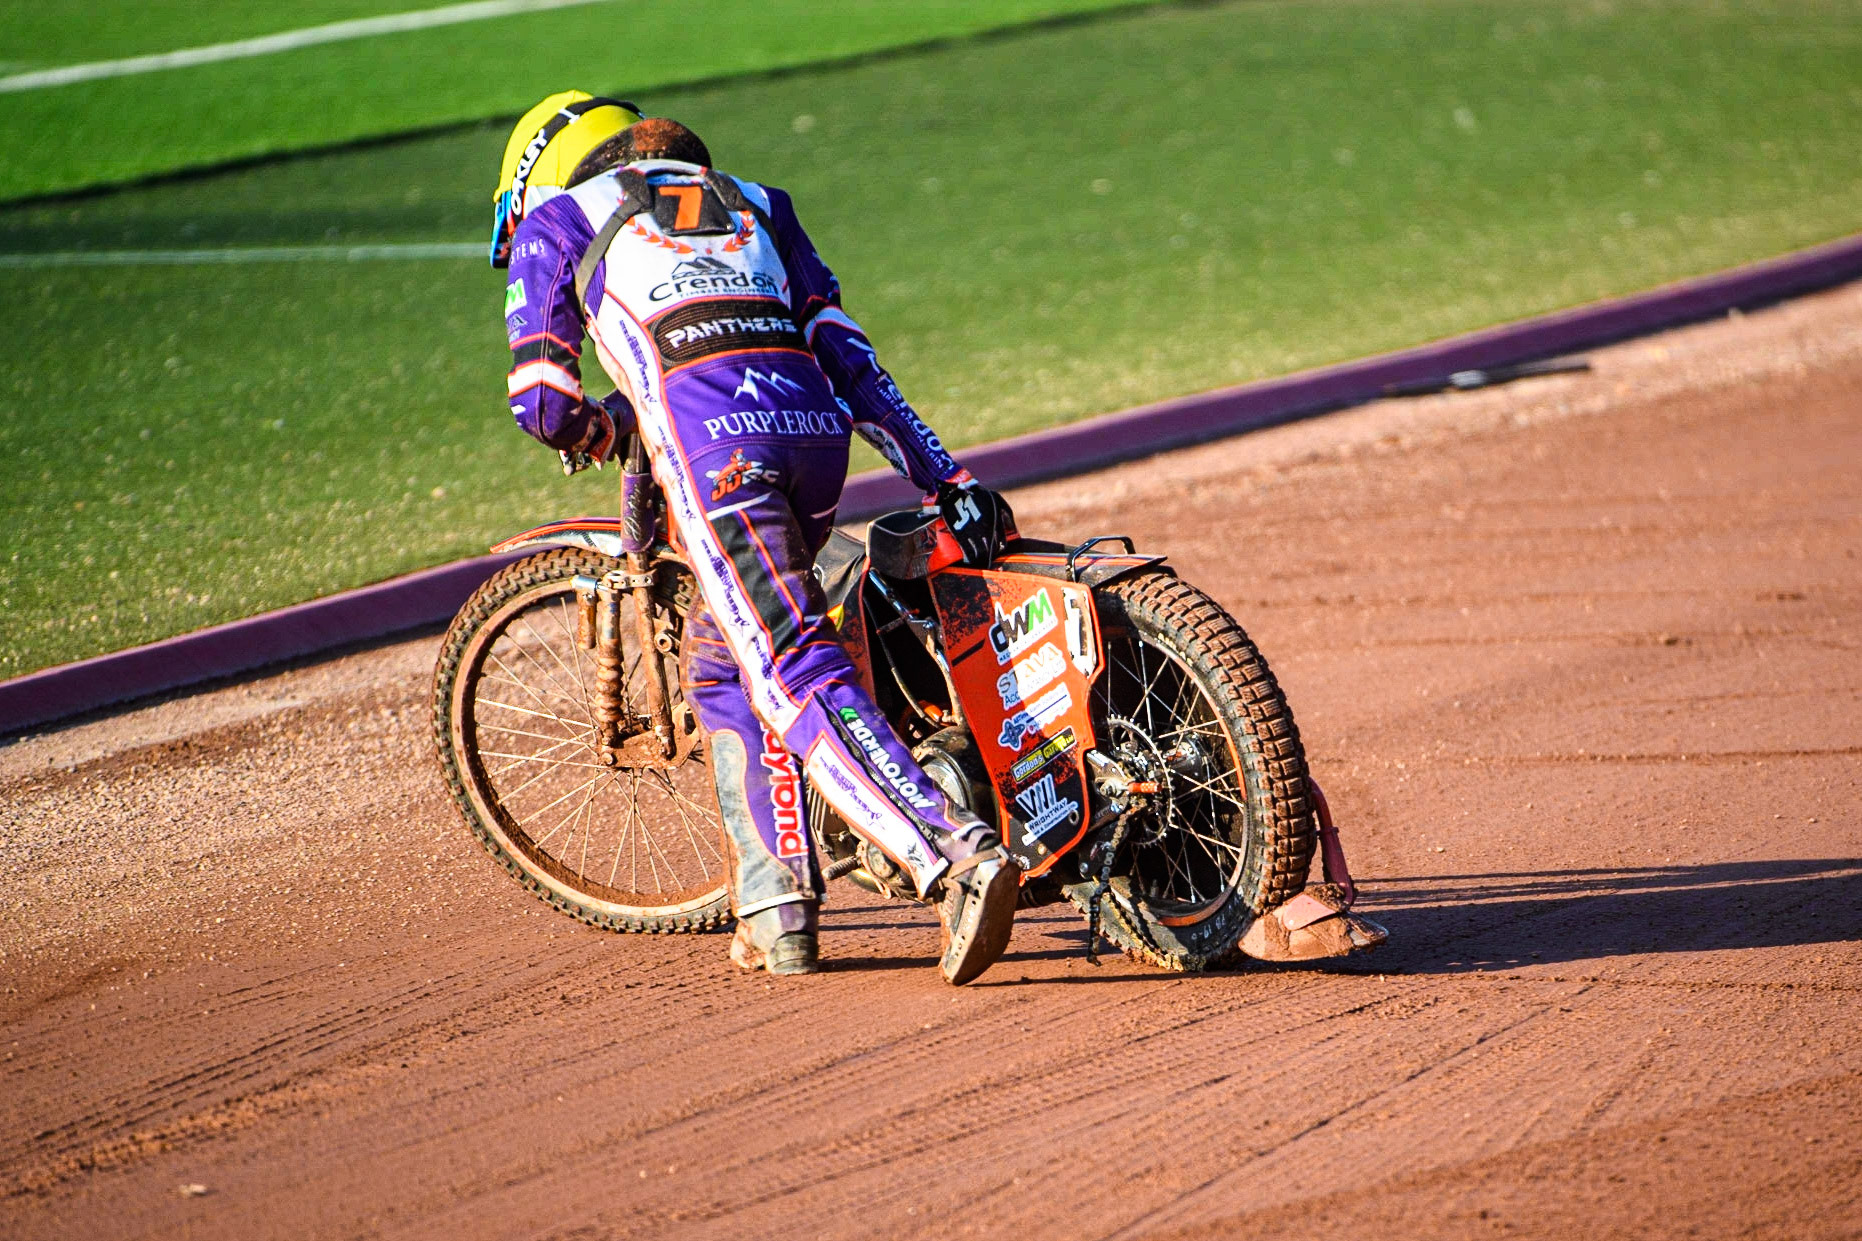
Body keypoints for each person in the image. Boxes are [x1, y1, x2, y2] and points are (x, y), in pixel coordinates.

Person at [489, 92, 1021, 983]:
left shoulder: (562, 217)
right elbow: (847, 359)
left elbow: (541, 401)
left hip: (719, 461)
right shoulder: (758, 203)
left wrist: (589, 429)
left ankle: (956, 851)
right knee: (721, 656)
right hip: (815, 444)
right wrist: (948, 477)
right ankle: (778, 913)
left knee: (790, 669)